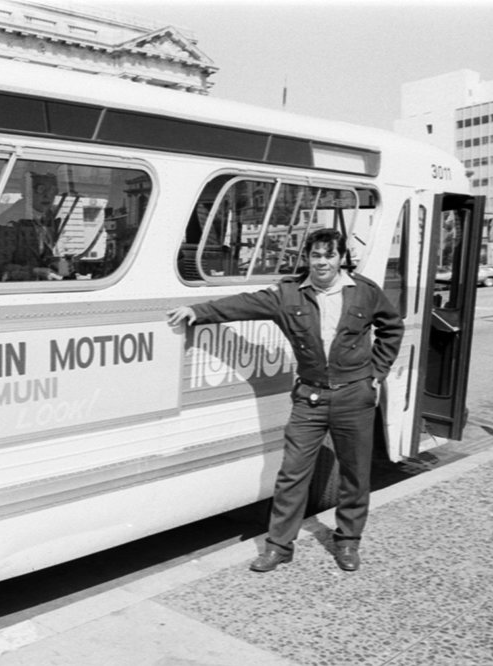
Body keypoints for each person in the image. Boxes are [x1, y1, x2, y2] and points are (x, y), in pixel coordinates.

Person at [166, 228, 404, 573]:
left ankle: (348, 542)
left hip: (355, 395)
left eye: (330, 255)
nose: (322, 262)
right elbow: (242, 304)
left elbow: (391, 328)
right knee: (292, 474)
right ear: (307, 258)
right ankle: (279, 547)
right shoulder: (288, 294)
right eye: (316, 255)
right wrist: (197, 310)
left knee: (355, 474)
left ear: (341, 259)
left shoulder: (364, 292)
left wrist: (376, 373)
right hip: (310, 397)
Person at [0, 170, 65, 281]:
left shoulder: (48, 219)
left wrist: (60, 265)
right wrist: (35, 272)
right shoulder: (8, 223)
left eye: (52, 190)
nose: (48, 195)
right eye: (41, 189)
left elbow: (46, 255)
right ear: (27, 192)